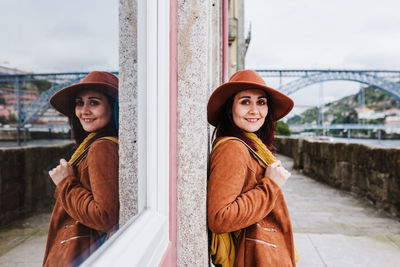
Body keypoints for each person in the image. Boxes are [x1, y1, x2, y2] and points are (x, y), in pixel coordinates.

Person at [207, 69, 297, 266]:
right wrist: (270, 185)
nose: (255, 110)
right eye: (245, 101)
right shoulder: (233, 148)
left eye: (261, 102)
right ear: (230, 108)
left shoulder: (251, 145)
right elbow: (220, 218)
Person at [43, 71, 119, 267]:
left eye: (94, 102)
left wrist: (65, 183)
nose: (84, 111)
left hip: (82, 256)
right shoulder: (94, 143)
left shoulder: (101, 146)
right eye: (79, 103)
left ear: (113, 106)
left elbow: (105, 217)